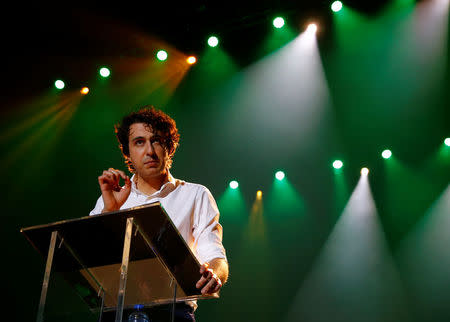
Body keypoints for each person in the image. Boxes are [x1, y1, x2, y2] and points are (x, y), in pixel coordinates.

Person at [89, 106, 228, 321]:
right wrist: (110, 212)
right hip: (115, 311)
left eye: (157, 141)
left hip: (172, 313)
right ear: (128, 152)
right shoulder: (111, 198)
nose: (150, 151)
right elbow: (87, 260)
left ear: (169, 147)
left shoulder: (195, 194)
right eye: (139, 142)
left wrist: (214, 275)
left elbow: (215, 257)